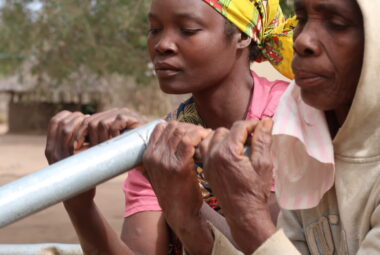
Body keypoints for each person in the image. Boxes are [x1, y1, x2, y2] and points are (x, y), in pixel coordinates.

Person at [45, 0, 295, 254]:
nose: (162, 45)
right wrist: (79, 203)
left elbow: (268, 246)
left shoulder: (293, 121)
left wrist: (164, 179)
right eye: (154, 29)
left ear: (242, 35)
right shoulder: (162, 137)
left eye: (187, 29)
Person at [164, 0, 377, 253]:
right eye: (301, 19)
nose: (302, 40)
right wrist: (187, 213)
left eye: (337, 24)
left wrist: (248, 212)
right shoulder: (307, 143)